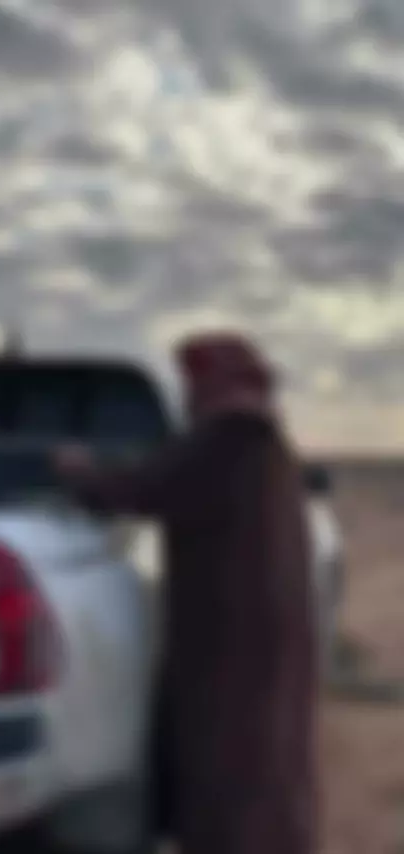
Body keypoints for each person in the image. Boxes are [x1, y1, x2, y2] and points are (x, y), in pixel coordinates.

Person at [53, 332, 318, 854]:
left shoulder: (228, 440)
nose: (188, 398)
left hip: (233, 647)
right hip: (261, 640)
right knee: (268, 766)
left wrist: (76, 470)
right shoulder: (264, 443)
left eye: (193, 385)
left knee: (232, 775)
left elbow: (136, 489)